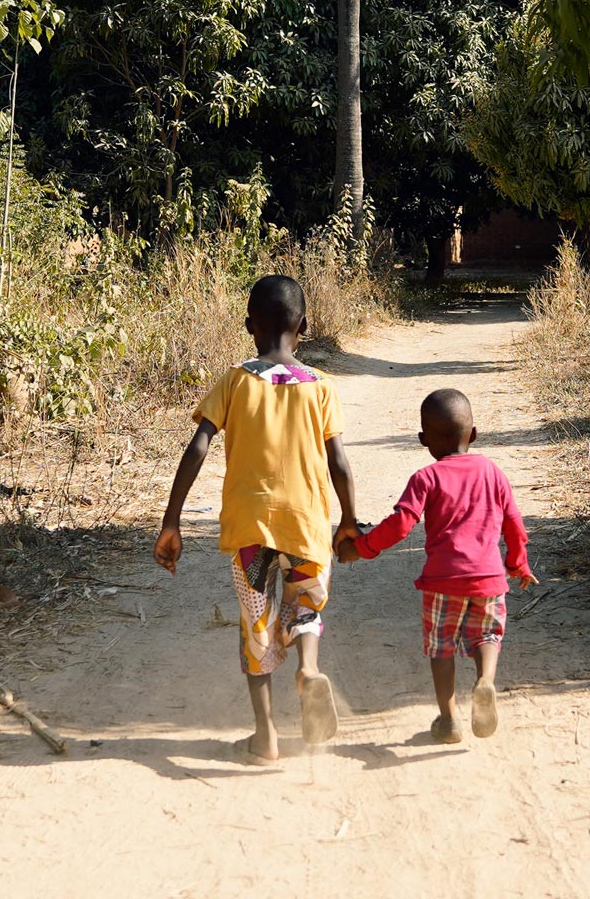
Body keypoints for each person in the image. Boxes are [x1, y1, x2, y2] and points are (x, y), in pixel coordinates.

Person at [154, 274, 358, 765]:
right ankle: (308, 671)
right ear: (304, 327)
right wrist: (349, 521)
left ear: (249, 326)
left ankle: (265, 736)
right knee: (306, 609)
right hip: (307, 527)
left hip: (250, 533)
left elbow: (197, 447)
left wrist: (172, 521)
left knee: (257, 626)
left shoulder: (235, 380)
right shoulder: (320, 388)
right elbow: (340, 464)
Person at [338, 388, 535, 743]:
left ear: (423, 440)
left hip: (444, 581)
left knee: (441, 647)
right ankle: (485, 681)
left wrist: (362, 548)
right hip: (489, 578)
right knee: (487, 636)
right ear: (473, 434)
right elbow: (514, 522)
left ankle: (449, 721)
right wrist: (517, 562)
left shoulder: (426, 478)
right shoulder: (493, 473)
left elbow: (401, 524)